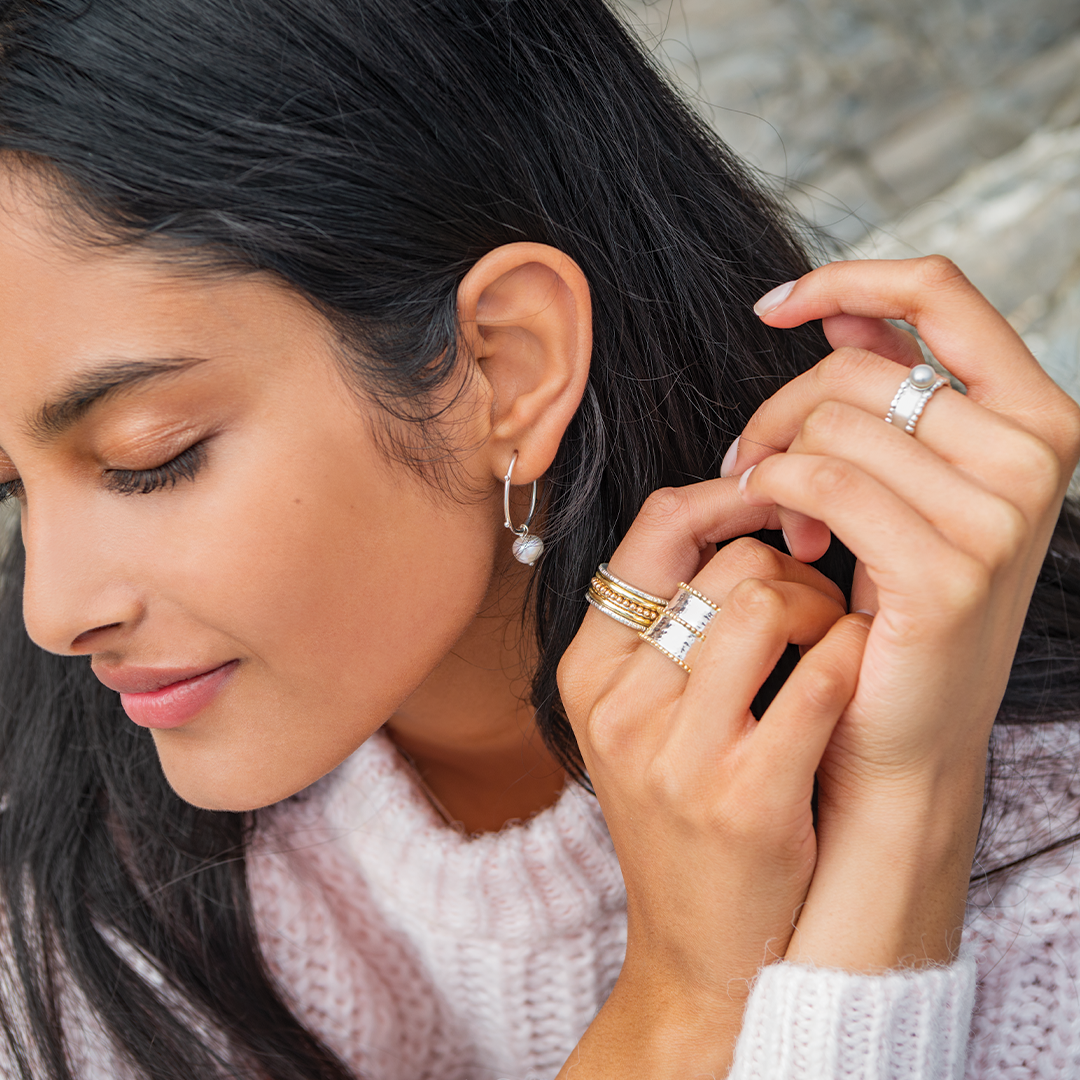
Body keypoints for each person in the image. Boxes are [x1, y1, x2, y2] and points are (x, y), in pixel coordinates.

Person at [0, 0, 1078, 1077]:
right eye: (10, 495)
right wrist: (689, 995)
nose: (51, 609)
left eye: (150, 456)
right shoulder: (73, 895)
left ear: (504, 370)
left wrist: (904, 816)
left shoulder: (1049, 874)